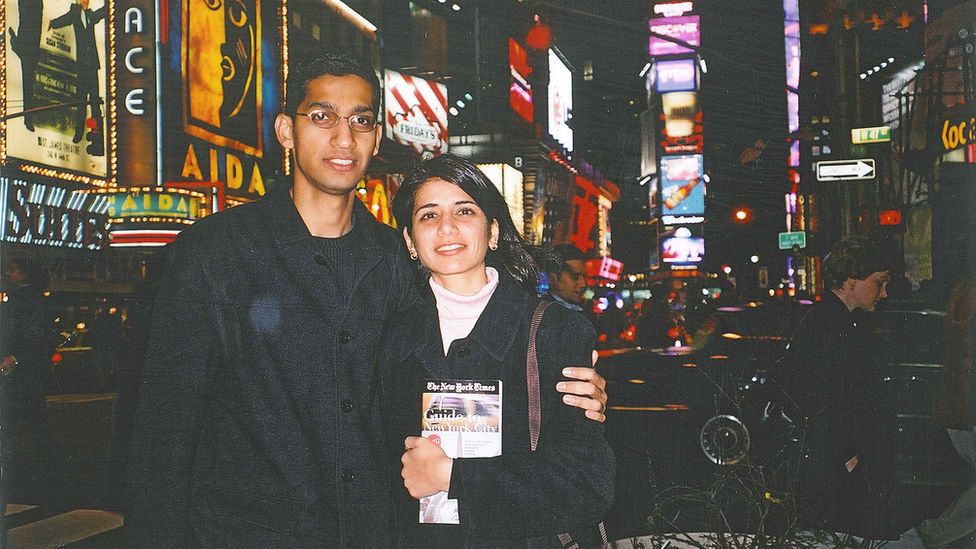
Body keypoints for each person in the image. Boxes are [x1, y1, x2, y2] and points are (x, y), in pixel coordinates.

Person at [125, 50, 608, 547]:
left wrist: (568, 389)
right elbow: (164, 432)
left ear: (376, 138)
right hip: (252, 533)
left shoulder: (397, 261)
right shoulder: (215, 254)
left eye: (360, 120)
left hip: (376, 531)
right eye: (321, 117)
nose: (343, 137)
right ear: (287, 131)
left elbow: (463, 360)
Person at [382, 154, 615, 547]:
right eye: (428, 215)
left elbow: (589, 482)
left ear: (492, 232)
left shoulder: (554, 331)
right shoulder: (388, 336)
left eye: (465, 210)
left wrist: (454, 478)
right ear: (409, 240)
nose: (447, 227)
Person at [772, 235, 906, 541]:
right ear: (850, 280)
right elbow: (819, 395)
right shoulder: (832, 326)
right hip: (831, 461)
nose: (883, 293)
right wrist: (846, 455)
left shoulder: (836, 320)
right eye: (878, 283)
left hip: (831, 457)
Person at [0, 257, 65, 508]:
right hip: (27, 375)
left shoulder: (20, 300)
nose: (9, 272)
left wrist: (15, 358)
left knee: (20, 424)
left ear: (24, 273)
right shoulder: (36, 300)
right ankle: (54, 467)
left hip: (18, 374)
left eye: (13, 269)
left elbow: (23, 334)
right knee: (35, 426)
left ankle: (53, 468)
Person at [49, 0, 105, 154]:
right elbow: (64, 19)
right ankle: (78, 133)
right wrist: (53, 23)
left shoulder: (90, 15)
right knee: (81, 100)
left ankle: (97, 135)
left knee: (94, 101)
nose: (86, 2)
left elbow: (102, 13)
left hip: (92, 65)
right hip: (82, 67)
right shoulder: (74, 13)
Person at [8, 0, 44, 131]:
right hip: (28, 44)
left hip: (32, 45)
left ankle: (16, 43)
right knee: (28, 83)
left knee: (29, 82)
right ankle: (28, 118)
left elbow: (37, 24)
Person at [544, 242, 589, 311]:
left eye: (584, 277)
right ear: (554, 278)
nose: (583, 284)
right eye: (575, 277)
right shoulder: (548, 313)